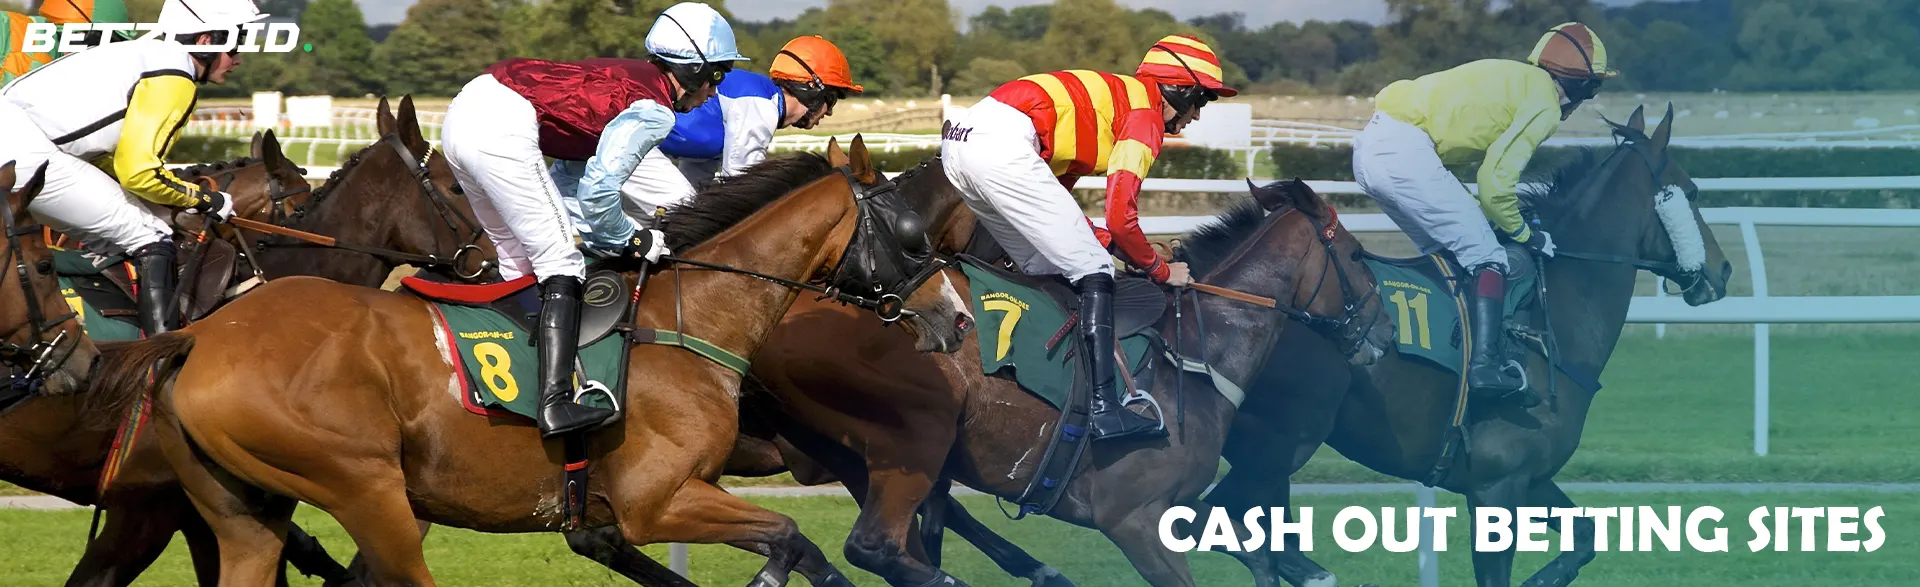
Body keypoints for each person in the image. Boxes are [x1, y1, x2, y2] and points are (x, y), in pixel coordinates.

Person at [440, 2, 744, 437]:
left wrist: (599, 234)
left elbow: (571, 178)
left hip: (465, 108)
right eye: (717, 75)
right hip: (500, 122)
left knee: (518, 262)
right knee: (560, 260)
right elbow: (601, 190)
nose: (714, 91)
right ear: (693, 70)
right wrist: (632, 239)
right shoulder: (654, 109)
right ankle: (555, 404)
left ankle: (506, 385)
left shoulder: (624, 77)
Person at [941, 34, 1234, 441]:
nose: (1197, 115)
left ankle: (1036, 382)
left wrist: (1112, 243)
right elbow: (1120, 216)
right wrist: (1158, 268)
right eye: (1200, 100)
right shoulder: (1144, 115)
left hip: (960, 143)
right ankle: (1104, 409)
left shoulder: (1112, 106)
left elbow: (1058, 205)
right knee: (1093, 267)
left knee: (1045, 264)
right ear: (1178, 89)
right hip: (999, 144)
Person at [1351, 22, 1616, 405]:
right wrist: (1526, 235)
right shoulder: (1544, 103)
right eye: (1593, 88)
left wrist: (1495, 221)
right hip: (1405, 154)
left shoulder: (1515, 78)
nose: (1588, 99)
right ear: (1580, 85)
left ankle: (1446, 352)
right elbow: (1494, 184)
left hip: (1373, 149)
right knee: (1489, 257)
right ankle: (1484, 368)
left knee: (1451, 256)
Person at [0, 0, 262, 336]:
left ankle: (100, 328)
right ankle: (158, 358)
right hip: (26, 152)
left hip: (21, 142)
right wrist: (203, 200)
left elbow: (111, 159)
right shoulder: (175, 75)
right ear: (206, 41)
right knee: (151, 236)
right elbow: (138, 171)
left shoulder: (145, 54)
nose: (238, 59)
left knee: (110, 240)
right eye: (234, 47)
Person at [608, 35, 864, 216]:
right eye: (830, 100)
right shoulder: (761, 106)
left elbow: (699, 180)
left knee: (672, 220)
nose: (828, 112)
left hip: (627, 140)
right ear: (812, 90)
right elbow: (743, 185)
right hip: (622, 137)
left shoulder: (760, 103)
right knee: (681, 213)